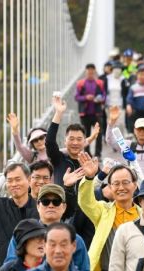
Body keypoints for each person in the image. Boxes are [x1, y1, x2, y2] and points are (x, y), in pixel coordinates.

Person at [5, 183, 90, 271]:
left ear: (64, 207)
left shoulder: (75, 240)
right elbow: (9, 269)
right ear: (38, 206)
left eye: (56, 201)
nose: (51, 205)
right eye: (45, 201)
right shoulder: (22, 235)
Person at [46, 95, 96, 248]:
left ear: (84, 141)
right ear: (65, 141)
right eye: (71, 139)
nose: (75, 142)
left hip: (86, 214)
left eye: (79, 139)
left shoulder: (88, 162)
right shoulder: (59, 159)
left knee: (85, 251)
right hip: (63, 213)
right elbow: (49, 141)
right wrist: (59, 113)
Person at [7, 112, 98, 164]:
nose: (39, 141)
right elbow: (19, 147)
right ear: (32, 144)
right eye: (35, 140)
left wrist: (92, 137)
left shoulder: (58, 152)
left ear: (47, 138)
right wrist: (15, 130)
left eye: (41, 138)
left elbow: (77, 145)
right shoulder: (32, 156)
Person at [75, 63, 106, 158]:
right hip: (85, 114)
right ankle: (87, 153)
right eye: (89, 73)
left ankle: (98, 154)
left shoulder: (100, 83)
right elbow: (77, 97)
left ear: (95, 72)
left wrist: (100, 99)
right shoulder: (80, 83)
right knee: (86, 134)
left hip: (97, 113)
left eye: (92, 73)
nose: (90, 74)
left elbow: (104, 96)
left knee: (99, 134)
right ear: (86, 72)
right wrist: (86, 97)